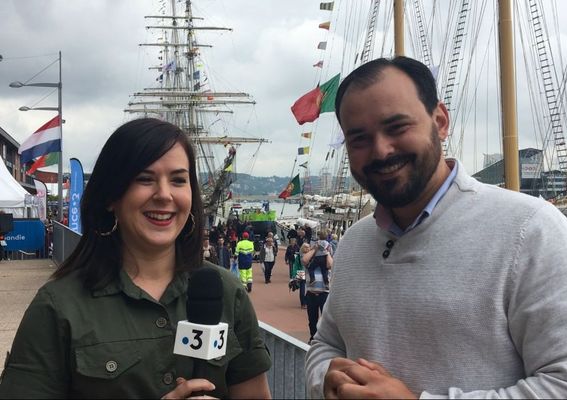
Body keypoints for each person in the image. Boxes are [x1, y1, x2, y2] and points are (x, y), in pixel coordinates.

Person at [304, 56, 567, 398]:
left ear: (440, 121)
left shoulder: (531, 231)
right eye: (359, 139)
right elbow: (325, 342)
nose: (381, 150)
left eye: (397, 127)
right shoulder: (355, 242)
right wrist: (326, 376)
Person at [0, 118, 271, 399]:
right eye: (145, 179)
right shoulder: (58, 306)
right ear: (110, 196)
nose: (164, 195)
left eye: (178, 180)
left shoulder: (227, 292)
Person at [302, 242, 333, 343]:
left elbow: (330, 264)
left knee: (325, 320)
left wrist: (326, 252)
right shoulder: (310, 261)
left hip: (324, 293)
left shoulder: (326, 260)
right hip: (311, 293)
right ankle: (313, 338)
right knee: (312, 320)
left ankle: (324, 339)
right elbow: (304, 260)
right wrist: (314, 249)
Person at [289, 243, 308, 309]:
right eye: (305, 247)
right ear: (302, 248)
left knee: (308, 290)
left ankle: (306, 301)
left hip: (308, 273)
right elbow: (295, 265)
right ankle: (303, 303)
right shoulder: (299, 256)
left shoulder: (311, 255)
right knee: (302, 289)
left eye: (308, 247)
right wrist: (294, 275)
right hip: (301, 272)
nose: (307, 249)